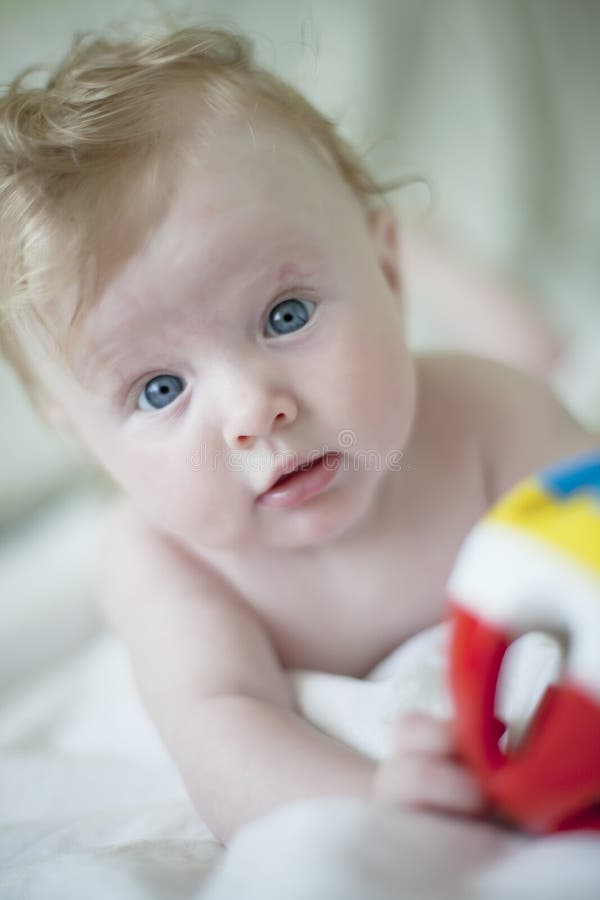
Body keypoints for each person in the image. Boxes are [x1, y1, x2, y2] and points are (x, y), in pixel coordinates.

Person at [0, 25, 596, 845]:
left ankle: (442, 260)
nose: (253, 410)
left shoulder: (495, 418)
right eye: (160, 389)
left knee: (540, 357)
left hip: (495, 373)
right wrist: (382, 793)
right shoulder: (163, 562)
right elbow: (222, 739)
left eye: (286, 315)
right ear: (84, 439)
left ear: (387, 277)